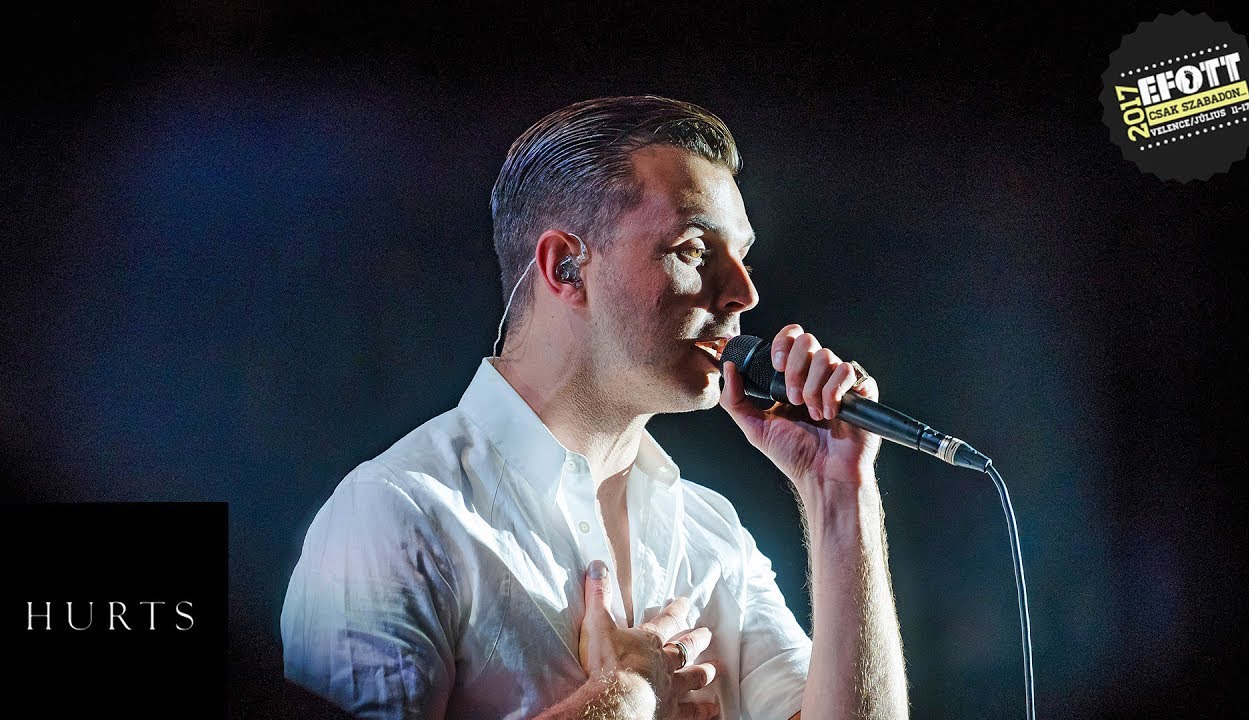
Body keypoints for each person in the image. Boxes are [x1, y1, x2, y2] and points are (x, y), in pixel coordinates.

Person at [280, 95, 909, 720]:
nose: (743, 293)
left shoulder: (713, 534)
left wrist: (840, 491)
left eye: (742, 257)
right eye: (694, 250)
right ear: (566, 268)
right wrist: (626, 697)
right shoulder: (395, 518)